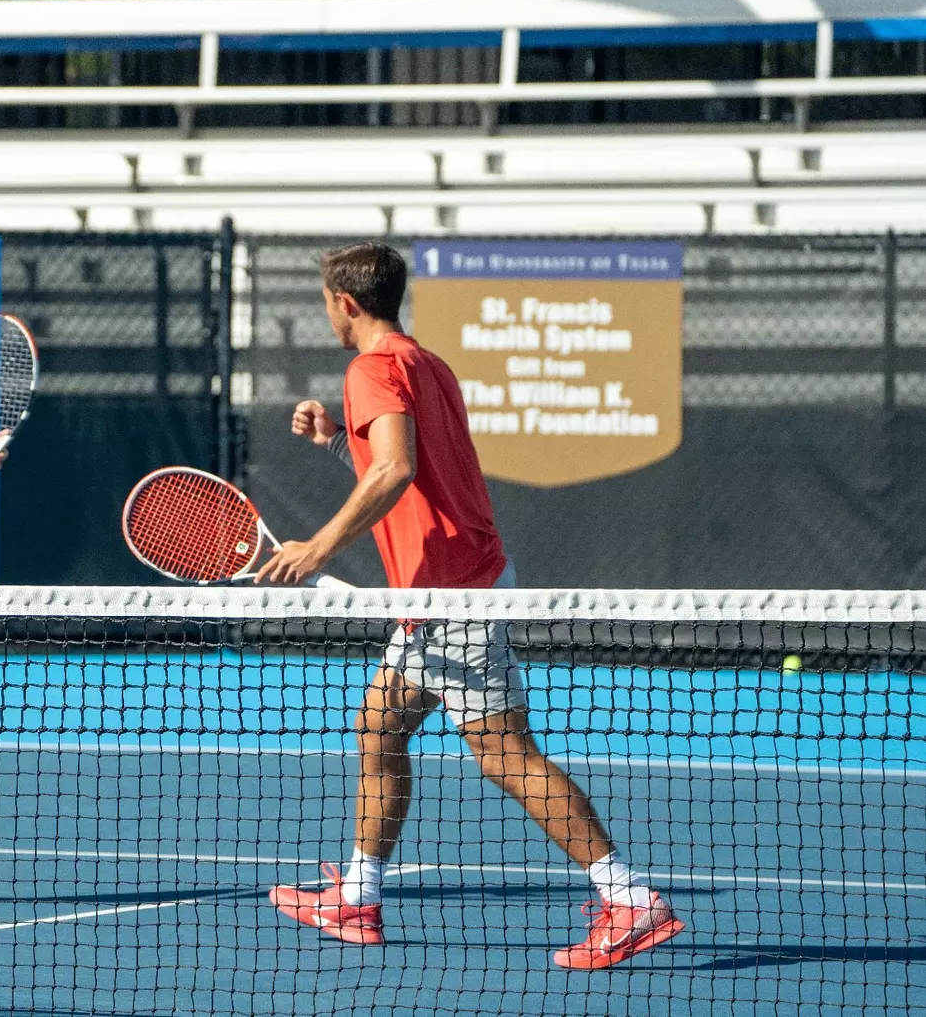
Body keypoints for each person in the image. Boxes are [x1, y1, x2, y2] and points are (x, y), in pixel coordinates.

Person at [255, 240, 684, 970]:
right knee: (378, 727)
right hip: (451, 587)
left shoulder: (369, 368)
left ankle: (630, 900)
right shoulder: (427, 364)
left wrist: (318, 548)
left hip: (451, 592)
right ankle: (357, 897)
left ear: (346, 304)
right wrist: (335, 443)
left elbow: (395, 468)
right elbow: (419, 473)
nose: (328, 311)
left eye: (327, 301)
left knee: (505, 754)